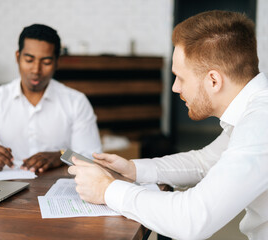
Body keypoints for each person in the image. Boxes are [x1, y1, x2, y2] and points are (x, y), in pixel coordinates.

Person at [68, 10, 268, 239]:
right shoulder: (254, 111)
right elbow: (204, 162)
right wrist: (133, 170)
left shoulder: (260, 124)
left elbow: (192, 219)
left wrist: (106, 190)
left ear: (213, 80)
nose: (175, 87)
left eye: (180, 77)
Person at [0, 24, 101, 173]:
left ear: (57, 62)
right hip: (8, 186)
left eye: (46, 62)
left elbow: (90, 159)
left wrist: (61, 156)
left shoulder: (76, 102)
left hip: (56, 188)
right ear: (18, 57)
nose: (36, 70)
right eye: (29, 60)